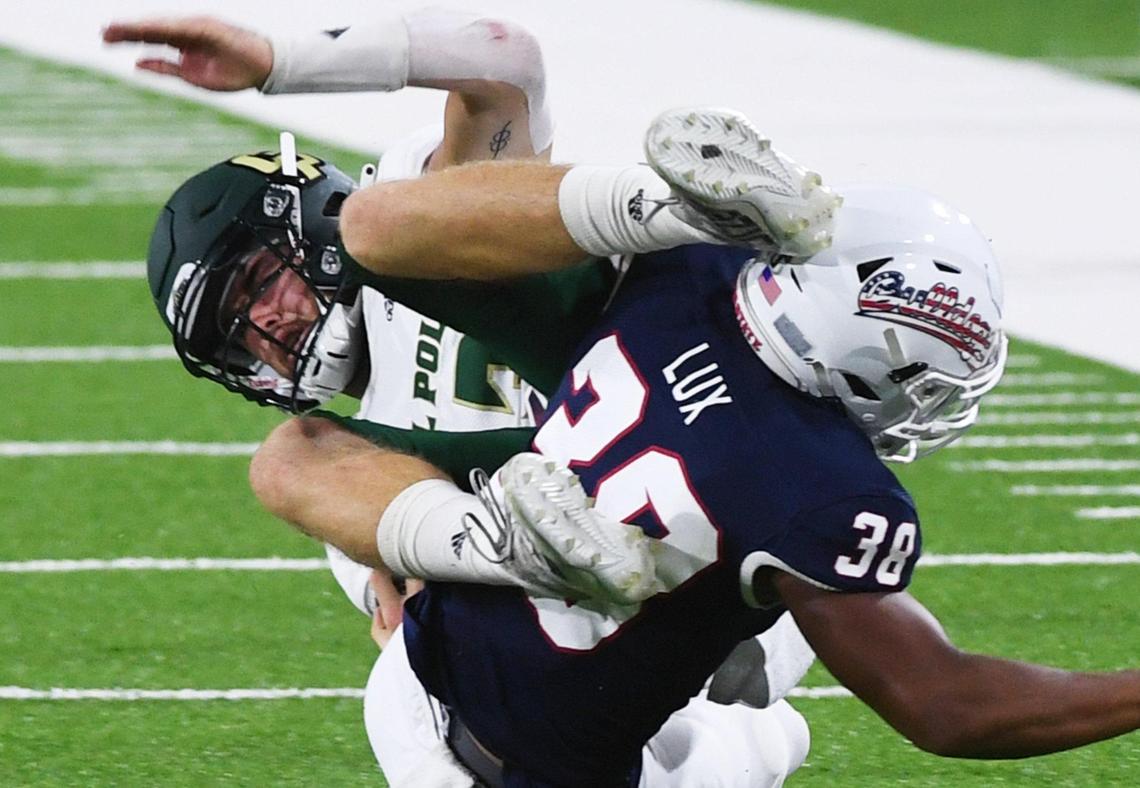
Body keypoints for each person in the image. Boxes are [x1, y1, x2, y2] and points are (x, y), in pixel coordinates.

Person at [248, 105, 1140, 786]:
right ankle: (512, 548)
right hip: (518, 765)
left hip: (422, 671)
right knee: (762, 720)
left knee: (296, 441)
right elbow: (946, 704)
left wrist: (657, 211)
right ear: (876, 355)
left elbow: (377, 227)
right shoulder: (818, 485)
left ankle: (489, 539)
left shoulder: (693, 273)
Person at [106, 12, 816, 785]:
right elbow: (415, 618)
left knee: (409, 694)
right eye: (234, 334)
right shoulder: (348, 460)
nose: (265, 325)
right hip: (651, 600)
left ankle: (682, 206)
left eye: (256, 281)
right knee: (431, 666)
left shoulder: (403, 217)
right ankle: (748, 738)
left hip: (718, 455)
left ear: (304, 215)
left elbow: (505, 63)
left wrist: (281, 60)